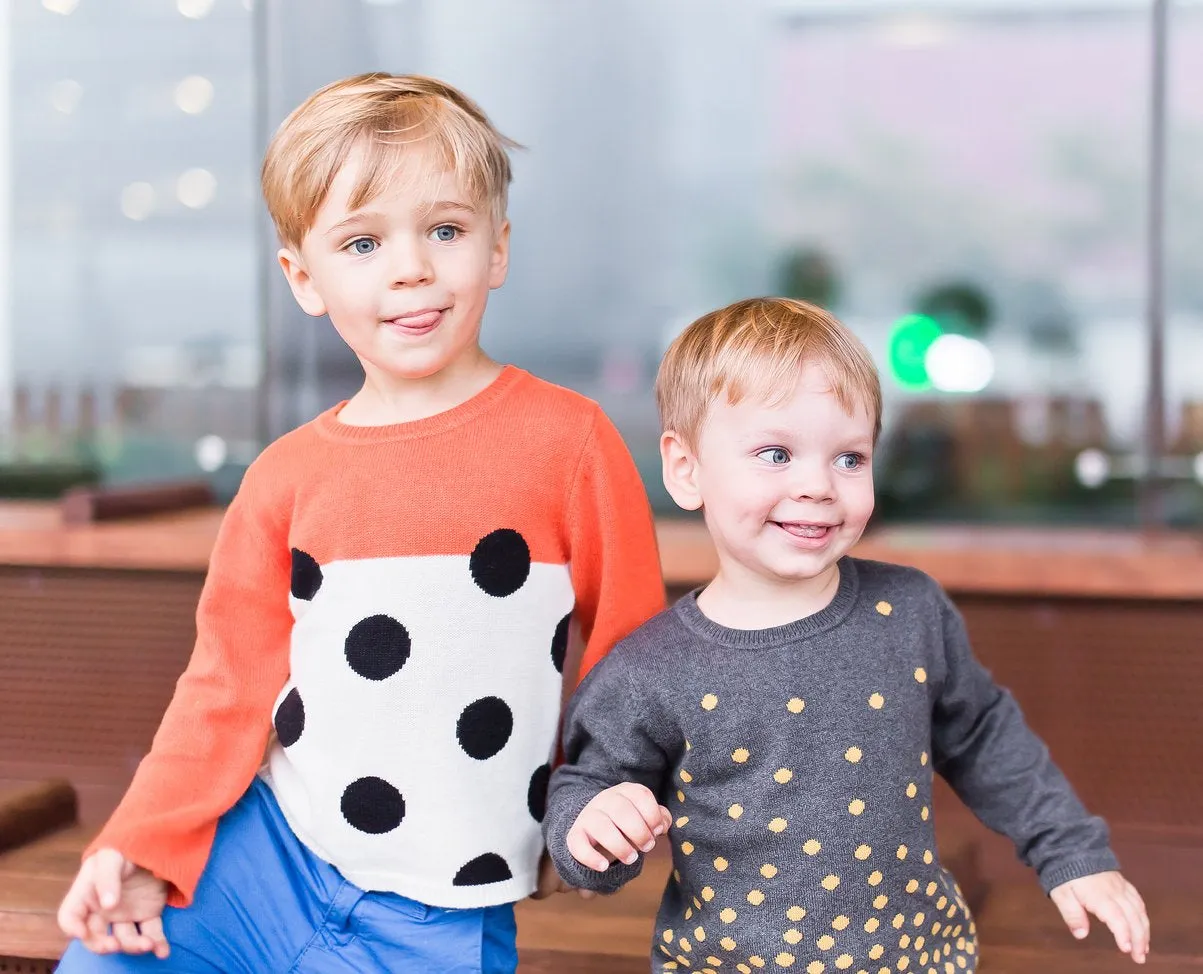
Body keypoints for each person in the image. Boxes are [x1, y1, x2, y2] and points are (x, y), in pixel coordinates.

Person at [55, 72, 665, 974]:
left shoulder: (569, 445)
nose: (410, 266)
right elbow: (223, 688)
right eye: (363, 241)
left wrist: (600, 799)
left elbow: (635, 656)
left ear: (497, 248)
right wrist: (142, 848)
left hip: (445, 908)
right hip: (264, 858)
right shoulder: (283, 477)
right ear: (305, 278)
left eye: (446, 231)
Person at [543, 296, 1150, 972]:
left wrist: (1068, 851)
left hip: (916, 958)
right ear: (687, 471)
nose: (816, 486)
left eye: (848, 458)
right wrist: (593, 828)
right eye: (775, 454)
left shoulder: (909, 613)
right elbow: (584, 795)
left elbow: (984, 737)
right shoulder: (650, 670)